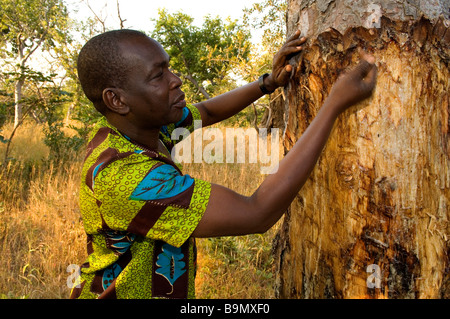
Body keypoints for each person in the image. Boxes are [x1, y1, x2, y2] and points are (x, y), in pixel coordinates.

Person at [70, 29, 377, 299]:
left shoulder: (146, 130)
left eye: (169, 68)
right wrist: (333, 105)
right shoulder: (121, 175)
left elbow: (207, 112)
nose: (176, 80)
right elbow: (256, 213)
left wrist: (268, 82)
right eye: (157, 76)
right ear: (117, 100)